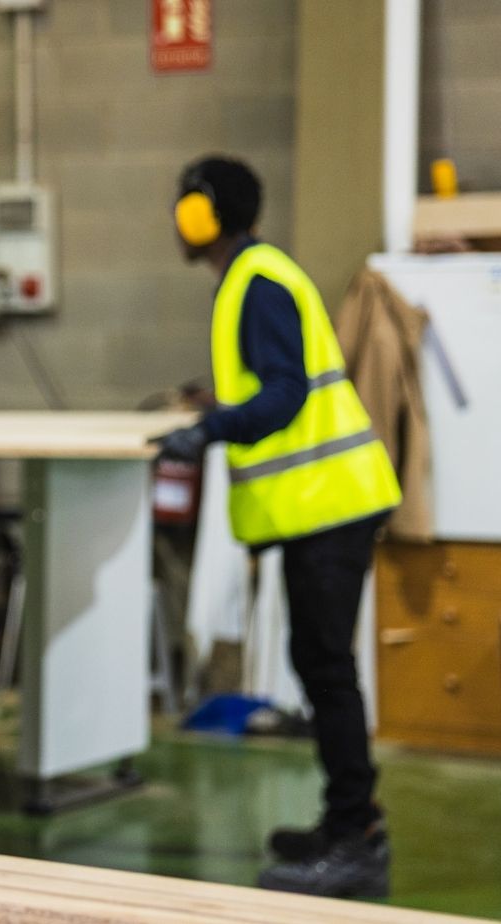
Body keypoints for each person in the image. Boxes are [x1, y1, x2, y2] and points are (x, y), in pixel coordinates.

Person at [154, 156, 401, 897]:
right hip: (318, 508)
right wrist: (216, 413)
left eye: (186, 204)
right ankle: (347, 819)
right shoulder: (251, 277)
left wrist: (210, 430)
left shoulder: (258, 281)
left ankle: (356, 839)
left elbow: (286, 394)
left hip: (331, 504)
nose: (178, 219)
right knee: (318, 664)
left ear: (206, 214)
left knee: (327, 669)